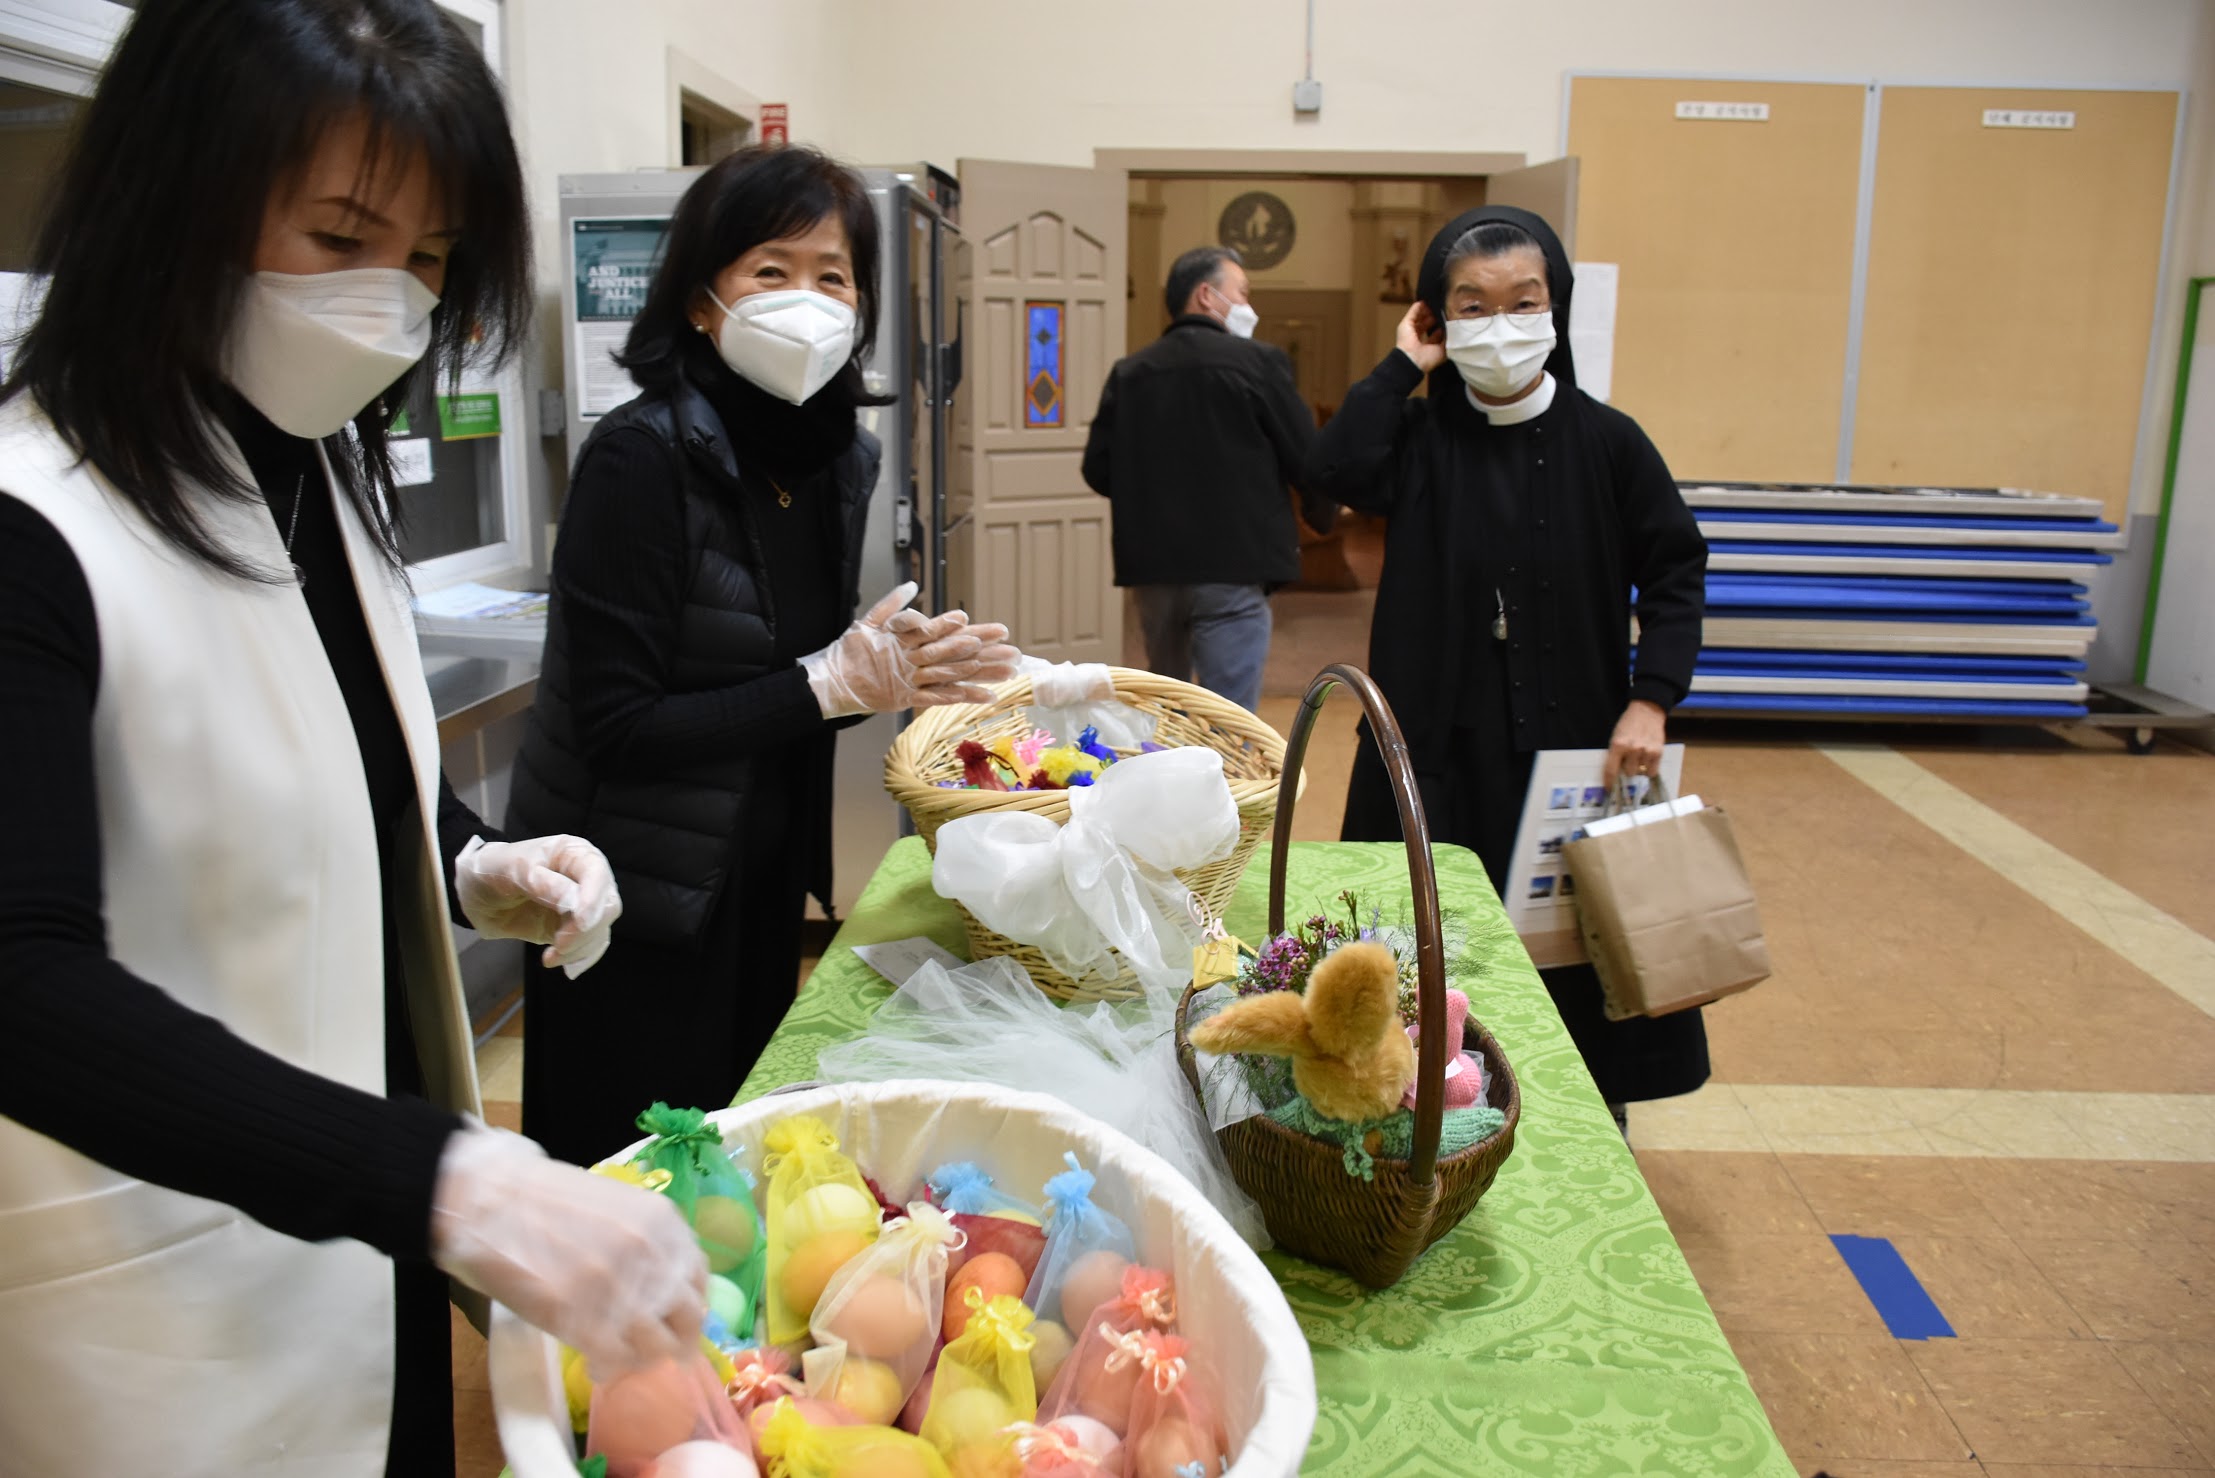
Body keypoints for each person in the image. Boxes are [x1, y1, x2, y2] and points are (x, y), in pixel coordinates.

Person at [0, 2, 709, 1473]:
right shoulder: (34, 523)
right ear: (173, 197)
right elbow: (20, 973)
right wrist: (462, 1182)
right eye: (337, 236)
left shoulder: (309, 470)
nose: (390, 304)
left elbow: (323, 753)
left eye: (433, 263)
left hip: (366, 1243)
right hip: (163, 1285)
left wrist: (469, 861)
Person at [509, 145, 1020, 1167]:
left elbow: (787, 670)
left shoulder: (836, 458)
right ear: (702, 299)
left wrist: (884, 668)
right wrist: (826, 682)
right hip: (631, 890)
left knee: (732, 1142)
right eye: (770, 271)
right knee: (632, 1164)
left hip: (762, 865)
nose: (807, 299)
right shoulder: (638, 458)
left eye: (832, 275)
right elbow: (618, 724)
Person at [1312, 206, 1710, 1125]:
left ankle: (1578, 1123)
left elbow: (1675, 568)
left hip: (1570, 751)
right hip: (1430, 751)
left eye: (1521, 302)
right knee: (1419, 949)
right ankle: (1422, 1121)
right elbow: (1330, 468)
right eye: (1471, 306)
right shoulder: (1416, 440)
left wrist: (1652, 701)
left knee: (1571, 954)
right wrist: (1400, 366)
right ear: (1436, 320)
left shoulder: (1609, 443)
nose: (1500, 324)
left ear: (1554, 311)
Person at [1082, 245, 1333, 712]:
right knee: (1227, 716)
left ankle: (1168, 783)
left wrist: (1150, 493)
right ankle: (1224, 786)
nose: (1248, 305)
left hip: (1154, 569)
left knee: (1168, 711)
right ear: (1207, 296)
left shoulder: (1130, 373)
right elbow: (1308, 455)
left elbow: (1096, 468)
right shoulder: (1258, 363)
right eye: (1242, 292)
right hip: (1233, 566)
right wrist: (1324, 514)